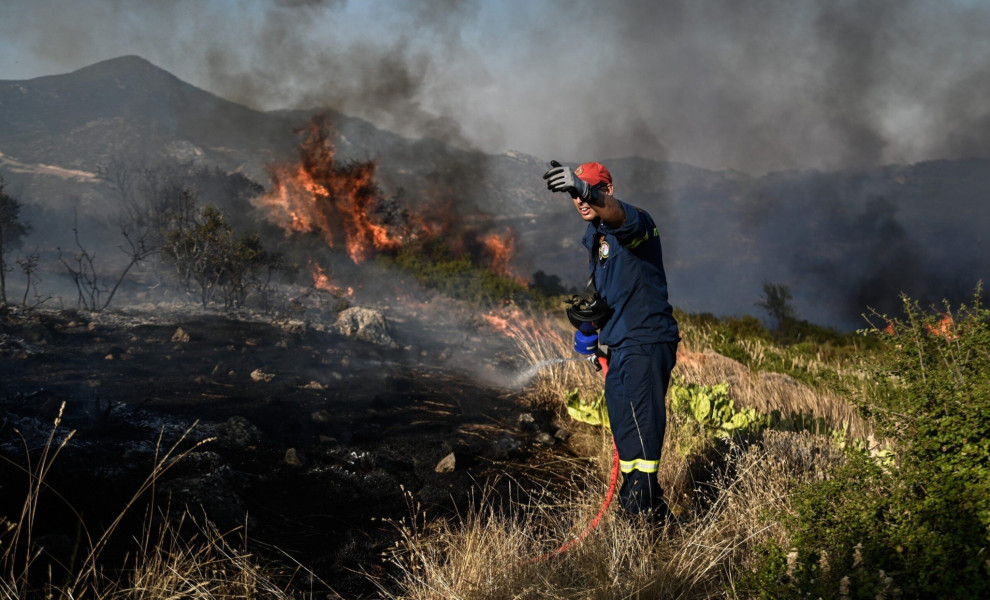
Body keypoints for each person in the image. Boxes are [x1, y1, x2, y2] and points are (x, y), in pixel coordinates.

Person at [543, 161, 680, 520]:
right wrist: (589, 328)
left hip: (645, 341)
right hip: (619, 345)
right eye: (574, 194)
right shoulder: (597, 236)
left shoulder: (635, 223)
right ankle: (653, 512)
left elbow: (619, 216)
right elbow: (601, 290)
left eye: (587, 190)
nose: (580, 200)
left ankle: (641, 515)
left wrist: (587, 190)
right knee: (625, 431)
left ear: (608, 189)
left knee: (641, 433)